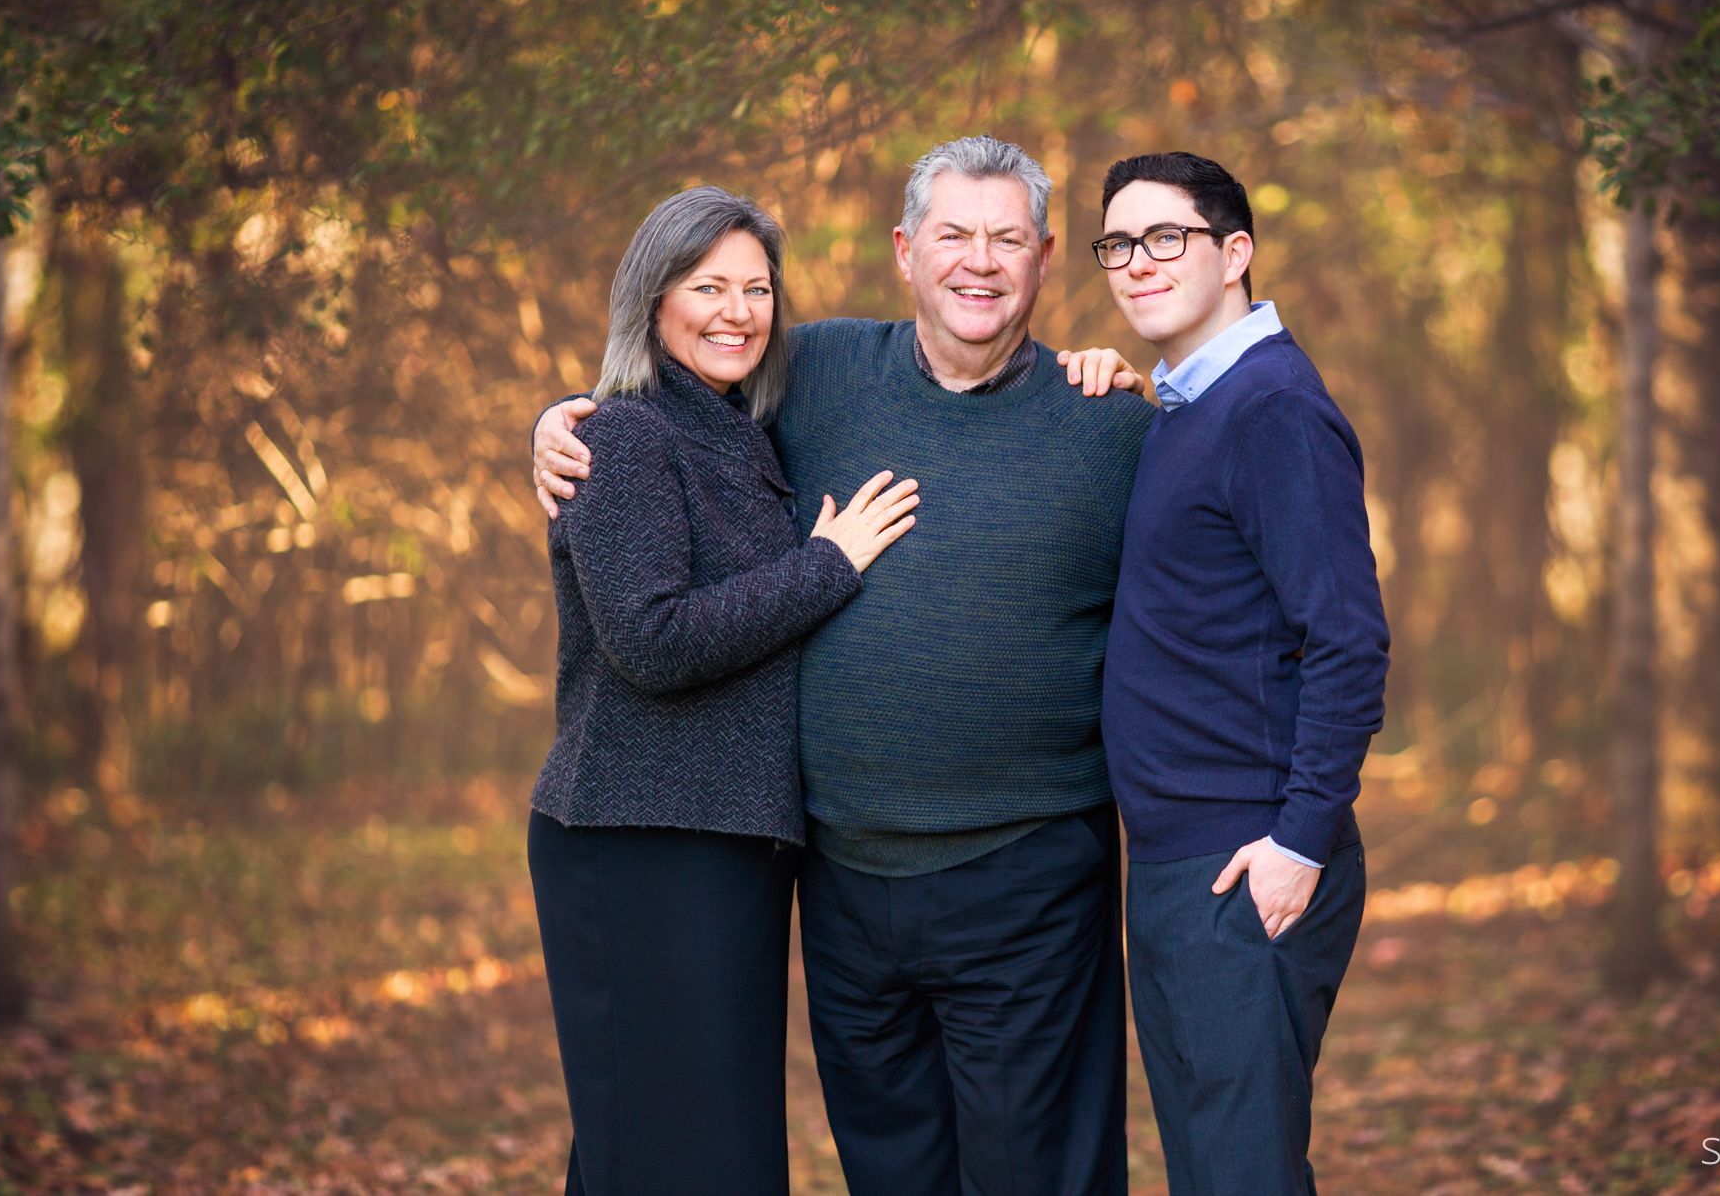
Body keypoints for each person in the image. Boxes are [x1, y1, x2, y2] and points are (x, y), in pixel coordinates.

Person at [532, 137, 1151, 1195]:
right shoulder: (811, 375)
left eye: (1007, 238)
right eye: (953, 234)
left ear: (1047, 258)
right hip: (841, 881)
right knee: (879, 1167)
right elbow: (651, 429)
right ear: (905, 252)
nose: (979, 260)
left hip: (1024, 870)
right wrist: (555, 424)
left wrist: (1119, 370)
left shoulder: (1106, 420)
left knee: (1031, 1169)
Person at [527, 184, 920, 1196]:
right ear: (653, 298)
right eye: (708, 286)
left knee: (683, 1146)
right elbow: (649, 642)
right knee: (675, 1152)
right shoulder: (624, 438)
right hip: (639, 835)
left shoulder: (741, 428)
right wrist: (828, 564)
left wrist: (1096, 371)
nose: (736, 311)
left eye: (755, 288)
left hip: (725, 840)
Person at [1094, 152, 1390, 1196]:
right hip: (1181, 859)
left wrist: (1300, 839)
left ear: (1235, 252)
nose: (1136, 263)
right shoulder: (1188, 408)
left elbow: (1347, 637)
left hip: (1244, 861)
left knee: (1239, 1177)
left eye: (1164, 237)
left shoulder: (1270, 407)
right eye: (1117, 244)